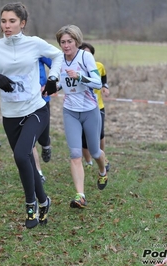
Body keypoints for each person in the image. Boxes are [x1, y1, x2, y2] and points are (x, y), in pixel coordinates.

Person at [0, 2, 63, 229]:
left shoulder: (34, 44)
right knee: (24, 159)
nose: (7, 25)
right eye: (4, 21)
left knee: (20, 155)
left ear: (22, 23)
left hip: (36, 109)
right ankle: (44, 201)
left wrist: (54, 78)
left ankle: (30, 204)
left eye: (12, 21)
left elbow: (58, 57)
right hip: (10, 115)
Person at [43, 24, 107, 209]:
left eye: (69, 41)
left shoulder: (85, 56)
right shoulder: (58, 60)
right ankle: (80, 196)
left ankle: (103, 171)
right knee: (75, 154)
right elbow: (62, 83)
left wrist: (80, 76)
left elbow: (96, 83)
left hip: (89, 111)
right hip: (70, 111)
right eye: (62, 42)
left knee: (95, 152)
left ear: (77, 41)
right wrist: (49, 89)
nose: (66, 45)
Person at [79, 42, 111, 172]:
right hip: (80, 108)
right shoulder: (77, 69)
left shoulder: (99, 66)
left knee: (100, 134)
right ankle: (88, 162)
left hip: (98, 106)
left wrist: (105, 87)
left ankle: (102, 157)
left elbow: (103, 78)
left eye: (89, 54)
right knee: (84, 138)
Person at [33, 56, 52, 184]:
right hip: (26, 102)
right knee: (30, 140)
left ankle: (46, 145)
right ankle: (38, 173)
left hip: (43, 99)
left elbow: (56, 63)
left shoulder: (37, 48)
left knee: (43, 137)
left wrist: (50, 81)